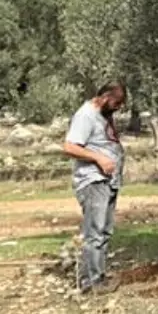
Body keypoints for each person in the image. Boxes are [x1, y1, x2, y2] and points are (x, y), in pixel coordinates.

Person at [62, 81, 127, 295]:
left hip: (108, 181)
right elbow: (70, 147)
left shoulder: (103, 115)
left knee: (105, 231)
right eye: (117, 102)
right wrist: (99, 158)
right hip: (93, 181)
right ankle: (91, 282)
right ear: (105, 97)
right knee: (94, 232)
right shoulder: (85, 115)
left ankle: (98, 275)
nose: (119, 107)